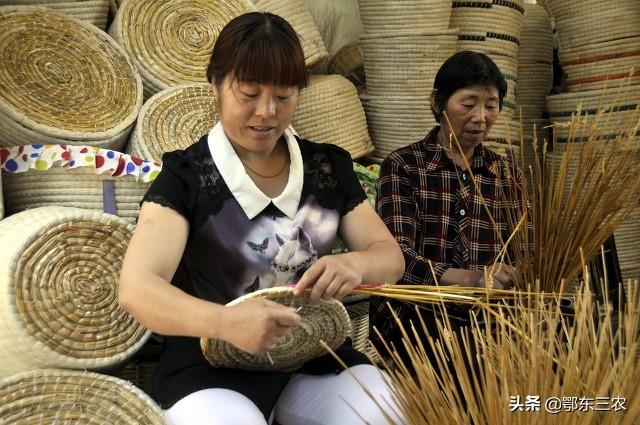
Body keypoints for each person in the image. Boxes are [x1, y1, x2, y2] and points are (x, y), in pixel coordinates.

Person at [118, 12, 406, 425]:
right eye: (249, 94)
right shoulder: (188, 176)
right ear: (215, 86)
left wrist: (354, 263)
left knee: (385, 413)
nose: (266, 112)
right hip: (209, 367)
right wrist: (224, 322)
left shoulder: (327, 167)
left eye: (284, 96)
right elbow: (137, 287)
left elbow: (388, 257)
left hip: (311, 355)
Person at [371, 51, 524, 365]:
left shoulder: (506, 173)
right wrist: (473, 279)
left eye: (491, 105)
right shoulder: (405, 166)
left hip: (492, 326)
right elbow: (397, 259)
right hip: (417, 325)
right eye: (468, 104)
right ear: (438, 102)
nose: (480, 117)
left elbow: (526, 250)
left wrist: (516, 275)